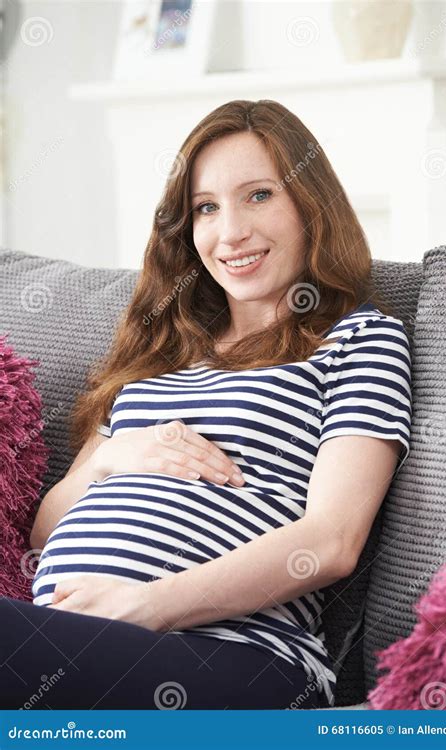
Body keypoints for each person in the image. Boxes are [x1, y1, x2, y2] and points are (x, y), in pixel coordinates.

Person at [0, 99, 412, 710]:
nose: (231, 232)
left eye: (259, 196)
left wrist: (142, 606)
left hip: (238, 657)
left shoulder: (359, 340)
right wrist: (113, 456)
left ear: (311, 205)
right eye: (207, 208)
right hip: (73, 641)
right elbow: (44, 530)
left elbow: (331, 541)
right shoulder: (155, 359)